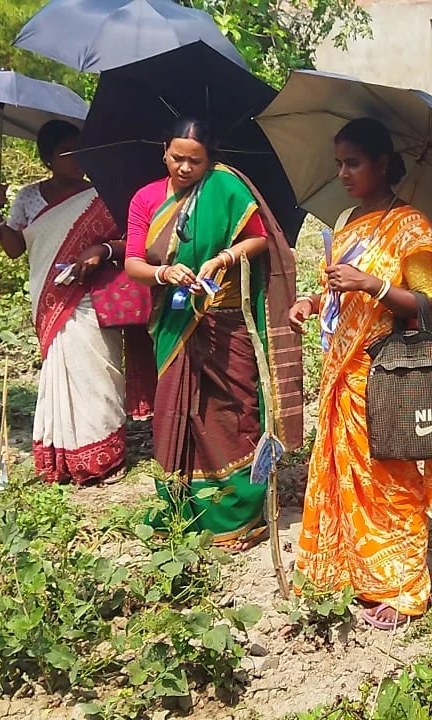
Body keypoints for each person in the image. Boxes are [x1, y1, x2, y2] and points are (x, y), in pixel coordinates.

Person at [289, 118, 432, 630]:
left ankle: (402, 585)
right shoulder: (348, 221)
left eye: (353, 163)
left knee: (390, 479)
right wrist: (311, 302)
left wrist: (371, 284)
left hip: (383, 374)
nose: (343, 174)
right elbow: (336, 290)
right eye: (339, 164)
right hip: (340, 372)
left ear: (382, 164)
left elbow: (428, 304)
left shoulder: (410, 227)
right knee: (346, 475)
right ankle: (353, 571)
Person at [124, 118, 302, 549]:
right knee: (177, 410)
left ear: (210, 160)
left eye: (195, 161)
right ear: (164, 151)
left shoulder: (225, 187)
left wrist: (223, 258)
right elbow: (132, 264)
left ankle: (240, 512)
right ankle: (181, 507)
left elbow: (259, 239)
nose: (185, 168)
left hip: (226, 320)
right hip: (174, 320)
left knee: (233, 411)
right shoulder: (145, 198)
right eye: (177, 158)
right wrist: (164, 273)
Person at [0, 120, 156, 485]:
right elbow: (14, 249)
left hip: (92, 297)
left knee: (99, 371)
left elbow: (133, 242)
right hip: (49, 298)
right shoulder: (28, 198)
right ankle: (64, 455)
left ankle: (105, 457)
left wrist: (101, 249)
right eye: (67, 153)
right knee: (61, 372)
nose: (78, 160)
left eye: (82, 152)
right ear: (47, 159)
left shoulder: (102, 196)